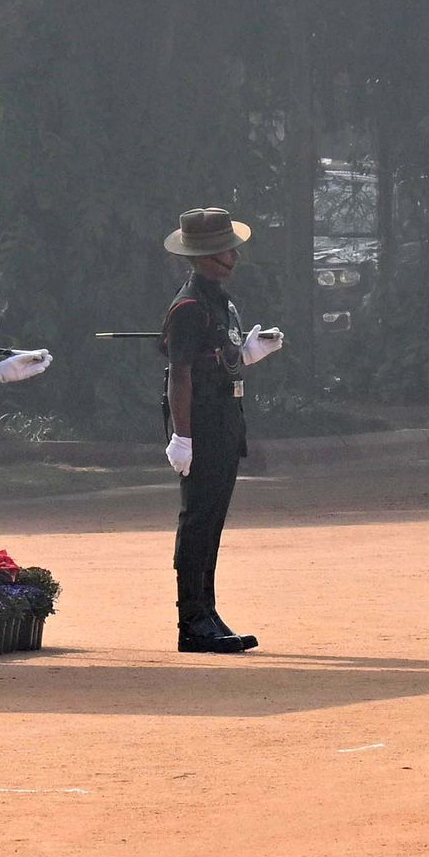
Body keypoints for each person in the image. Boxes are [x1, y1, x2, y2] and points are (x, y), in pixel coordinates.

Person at [160, 205, 262, 652]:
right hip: (200, 420)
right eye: (225, 250)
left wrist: (250, 352)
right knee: (198, 519)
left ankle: (207, 609)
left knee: (213, 519)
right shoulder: (189, 306)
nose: (234, 257)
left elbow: (220, 356)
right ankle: (191, 620)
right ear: (202, 256)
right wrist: (182, 435)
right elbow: (179, 374)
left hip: (224, 417)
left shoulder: (218, 300)